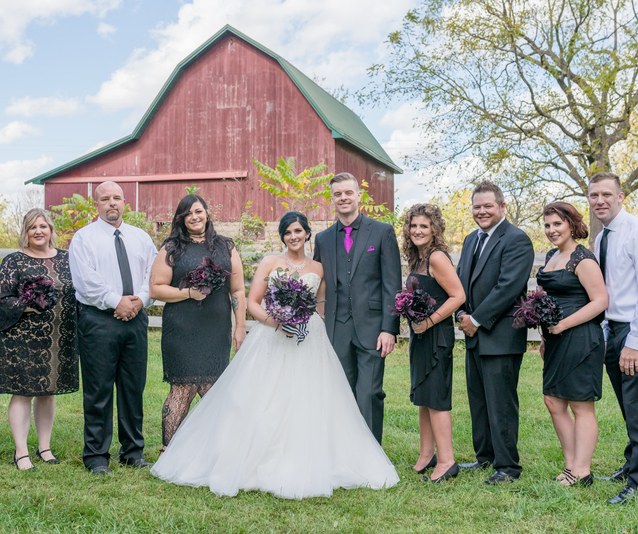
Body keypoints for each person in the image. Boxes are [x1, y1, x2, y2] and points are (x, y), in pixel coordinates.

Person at [150, 211, 399, 499]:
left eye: (298, 231)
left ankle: (307, 454)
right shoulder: (270, 263)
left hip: (310, 339)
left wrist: (312, 329)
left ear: (307, 233)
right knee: (264, 398)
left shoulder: (319, 269)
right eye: (288, 233)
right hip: (272, 336)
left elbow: (321, 306)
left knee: (309, 398)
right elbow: (253, 302)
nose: (293, 237)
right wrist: (277, 321)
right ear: (283, 237)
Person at [587, 171, 638, 505]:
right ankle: (633, 462)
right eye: (594, 196)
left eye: (607, 195)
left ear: (621, 197)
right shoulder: (601, 238)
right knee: (627, 403)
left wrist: (635, 342)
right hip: (616, 329)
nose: (600, 201)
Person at [69, 181, 158, 475]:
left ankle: (133, 452)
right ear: (96, 205)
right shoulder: (84, 239)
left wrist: (140, 300)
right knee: (99, 389)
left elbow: (153, 273)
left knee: (133, 387)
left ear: (125, 202)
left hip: (136, 317)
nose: (112, 203)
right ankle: (96, 455)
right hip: (98, 320)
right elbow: (85, 280)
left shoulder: (141, 238)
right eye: (105, 199)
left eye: (117, 198)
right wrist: (115, 301)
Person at [149, 194, 247, 456]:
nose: (194, 217)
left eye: (198, 211)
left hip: (216, 329)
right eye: (187, 214)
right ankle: (167, 451)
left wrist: (240, 327)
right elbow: (156, 289)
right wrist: (187, 293)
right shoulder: (172, 248)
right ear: (181, 219)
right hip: (182, 328)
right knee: (183, 386)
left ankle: (219, 450)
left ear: (206, 213)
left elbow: (237, 290)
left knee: (215, 387)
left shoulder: (226, 246)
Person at [312, 172, 402, 444]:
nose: (343, 198)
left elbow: (392, 284)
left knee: (370, 391)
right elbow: (319, 282)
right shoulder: (323, 238)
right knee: (340, 390)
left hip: (373, 327)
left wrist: (390, 328)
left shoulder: (382, 231)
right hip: (336, 328)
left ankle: (371, 452)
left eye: (348, 193)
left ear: (358, 196)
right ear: (332, 199)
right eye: (337, 194)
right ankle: (343, 449)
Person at [455, 181, 534, 484]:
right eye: (477, 206)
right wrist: (461, 313)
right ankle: (484, 457)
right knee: (478, 399)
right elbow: (461, 281)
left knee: (501, 403)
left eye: (488, 206)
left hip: (500, 335)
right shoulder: (470, 239)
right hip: (473, 333)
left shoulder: (516, 239)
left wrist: (476, 319)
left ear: (502, 207)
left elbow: (508, 287)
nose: (482, 211)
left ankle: (508, 466)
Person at [0, 209, 79, 471]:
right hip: (23, 338)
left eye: (43, 226)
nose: (38, 231)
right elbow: (1, 297)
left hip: (59, 337)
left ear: (51, 229)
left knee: (48, 393)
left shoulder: (68, 259)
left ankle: (45, 447)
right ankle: (21, 451)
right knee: (23, 392)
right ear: (25, 232)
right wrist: (29, 305)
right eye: (32, 227)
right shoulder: (14, 261)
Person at [537, 202, 607, 487]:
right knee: (553, 401)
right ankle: (570, 465)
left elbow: (601, 301)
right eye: (547, 225)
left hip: (580, 338)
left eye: (557, 224)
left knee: (581, 407)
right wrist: (545, 336)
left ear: (570, 224)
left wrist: (563, 325)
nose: (551, 230)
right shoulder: (552, 255)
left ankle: (583, 470)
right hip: (554, 340)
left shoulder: (583, 259)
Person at [401, 204, 465, 483]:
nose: (417, 230)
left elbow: (458, 296)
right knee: (424, 398)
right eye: (413, 226)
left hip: (436, 336)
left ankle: (447, 461)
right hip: (420, 335)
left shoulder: (437, 258)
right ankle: (427, 455)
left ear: (434, 229)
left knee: (437, 399)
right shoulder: (418, 258)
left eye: (424, 226)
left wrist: (429, 322)